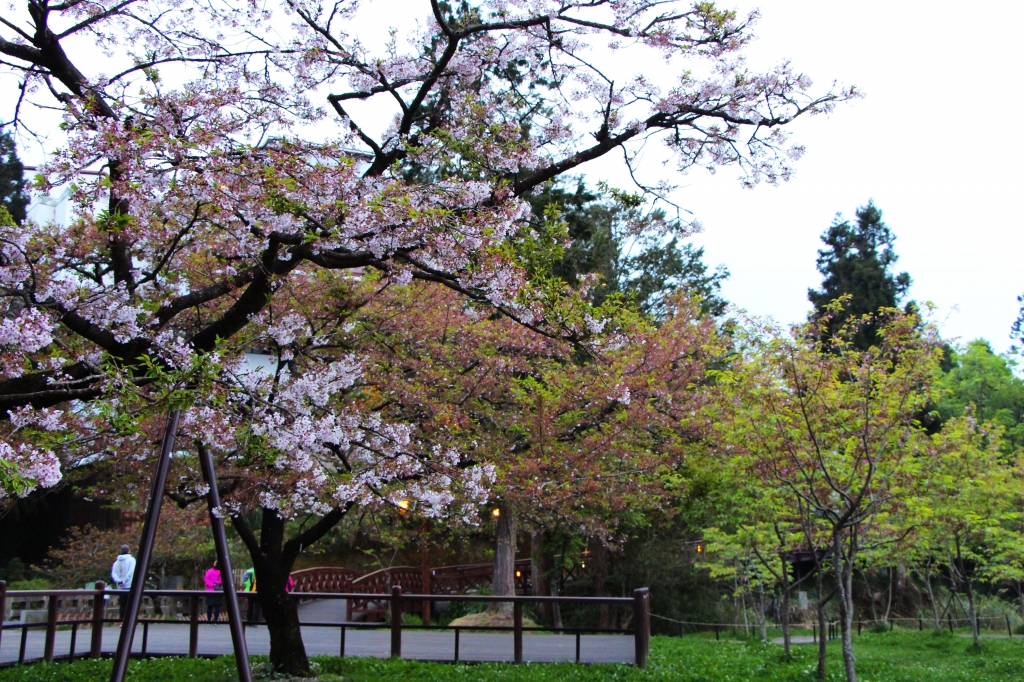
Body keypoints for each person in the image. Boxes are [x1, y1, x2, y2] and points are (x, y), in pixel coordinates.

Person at [110, 545, 136, 621]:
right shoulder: (132, 560)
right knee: (131, 604)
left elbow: (113, 574)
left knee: (122, 604)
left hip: (120, 587)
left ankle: (121, 620)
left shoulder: (116, 562)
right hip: (129, 585)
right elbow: (131, 572)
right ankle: (129, 621)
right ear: (129, 550)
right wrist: (125, 581)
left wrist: (119, 581)